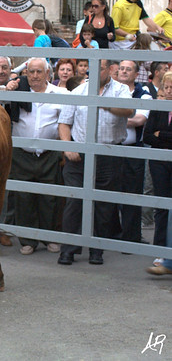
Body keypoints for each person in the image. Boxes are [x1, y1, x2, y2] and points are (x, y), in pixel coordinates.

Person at [57, 59, 134, 265]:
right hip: (79, 154)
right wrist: (68, 146)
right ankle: (68, 249)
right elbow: (64, 123)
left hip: (108, 154)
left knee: (103, 205)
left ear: (110, 69)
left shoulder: (120, 90)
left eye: (99, 68)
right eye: (92, 68)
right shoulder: (78, 92)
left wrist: (104, 104)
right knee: (74, 201)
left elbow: (130, 111)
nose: (94, 72)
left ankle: (96, 249)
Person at [4, 58, 65, 255]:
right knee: (24, 198)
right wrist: (8, 87)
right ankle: (27, 240)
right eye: (31, 72)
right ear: (26, 74)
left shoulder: (60, 94)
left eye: (39, 72)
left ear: (48, 74)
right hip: (22, 153)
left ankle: (50, 238)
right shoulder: (18, 93)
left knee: (50, 198)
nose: (35, 76)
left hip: (49, 154)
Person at [116, 60, 152, 244]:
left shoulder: (143, 95)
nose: (123, 71)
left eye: (128, 69)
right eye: (121, 68)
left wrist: (113, 116)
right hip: (113, 149)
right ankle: (112, 235)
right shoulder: (111, 90)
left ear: (136, 74)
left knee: (131, 194)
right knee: (109, 193)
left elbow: (139, 119)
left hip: (133, 152)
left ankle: (131, 238)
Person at [143, 71, 172, 253]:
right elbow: (147, 136)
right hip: (159, 161)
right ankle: (160, 249)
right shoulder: (157, 108)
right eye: (166, 87)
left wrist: (161, 134)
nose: (169, 91)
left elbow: (156, 135)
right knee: (161, 206)